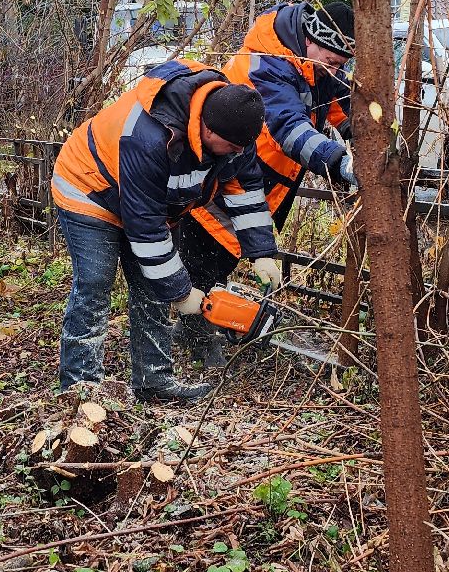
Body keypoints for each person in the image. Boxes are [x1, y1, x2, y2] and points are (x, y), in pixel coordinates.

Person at [52, 59, 284, 403]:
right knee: (96, 282)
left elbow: (246, 191)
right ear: (207, 129)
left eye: (242, 148)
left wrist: (261, 251)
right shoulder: (149, 136)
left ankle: (154, 382)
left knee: (151, 288)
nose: (238, 153)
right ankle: (80, 389)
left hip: (154, 204)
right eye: (232, 147)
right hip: (90, 189)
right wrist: (180, 292)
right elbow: (144, 227)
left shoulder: (235, 134)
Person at [172, 0, 354, 365]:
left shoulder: (318, 66)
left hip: (265, 183)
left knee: (226, 259)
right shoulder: (266, 65)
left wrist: (362, 131)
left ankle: (211, 322)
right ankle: (195, 336)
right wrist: (341, 163)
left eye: (341, 65)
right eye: (332, 62)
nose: (335, 70)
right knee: (205, 260)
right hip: (224, 177)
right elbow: (288, 127)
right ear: (311, 41)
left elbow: (342, 105)